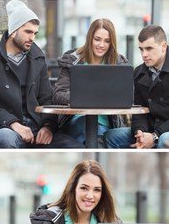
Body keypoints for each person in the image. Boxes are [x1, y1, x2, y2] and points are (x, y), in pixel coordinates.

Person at [0, 0, 73, 148]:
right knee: (6, 139)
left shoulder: (38, 59)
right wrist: (13, 124)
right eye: (28, 32)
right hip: (2, 127)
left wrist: (48, 126)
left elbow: (47, 99)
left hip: (36, 129)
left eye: (35, 33)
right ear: (13, 31)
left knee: (72, 144)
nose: (33, 38)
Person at [53, 18, 134, 149]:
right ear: (90, 38)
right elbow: (59, 94)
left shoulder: (119, 63)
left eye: (107, 41)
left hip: (107, 123)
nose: (101, 45)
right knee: (86, 131)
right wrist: (83, 98)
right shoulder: (73, 60)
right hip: (76, 121)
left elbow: (128, 95)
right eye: (97, 39)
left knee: (100, 137)